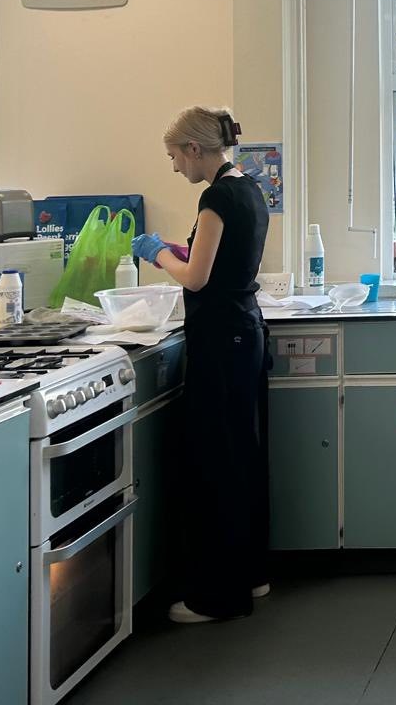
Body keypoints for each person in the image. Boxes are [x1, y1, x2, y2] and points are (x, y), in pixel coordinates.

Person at [132, 106, 271, 624]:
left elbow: (196, 278)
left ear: (195, 149)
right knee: (243, 457)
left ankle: (217, 597)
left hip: (221, 342)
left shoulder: (215, 196)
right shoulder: (249, 188)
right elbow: (219, 258)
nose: (174, 167)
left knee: (217, 464)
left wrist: (157, 255)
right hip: (245, 333)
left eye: (174, 156)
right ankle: (252, 575)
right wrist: (178, 250)